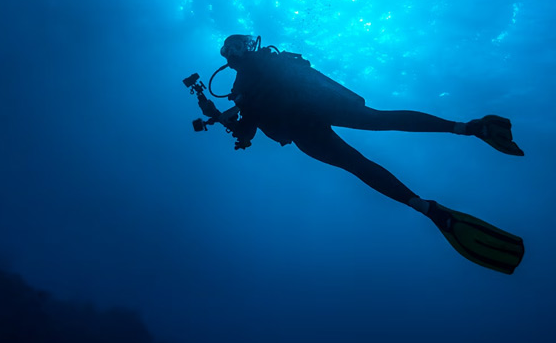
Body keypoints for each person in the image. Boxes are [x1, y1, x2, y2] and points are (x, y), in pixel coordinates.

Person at [212, 34, 525, 274]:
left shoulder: (258, 74)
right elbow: (247, 132)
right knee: (365, 148)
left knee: (371, 137)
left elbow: (252, 124)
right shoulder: (242, 91)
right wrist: (216, 113)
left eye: (236, 46)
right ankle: (435, 195)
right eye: (230, 49)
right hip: (305, 125)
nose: (234, 52)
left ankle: (461, 141)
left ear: (243, 48)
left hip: (310, 114)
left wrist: (234, 111)